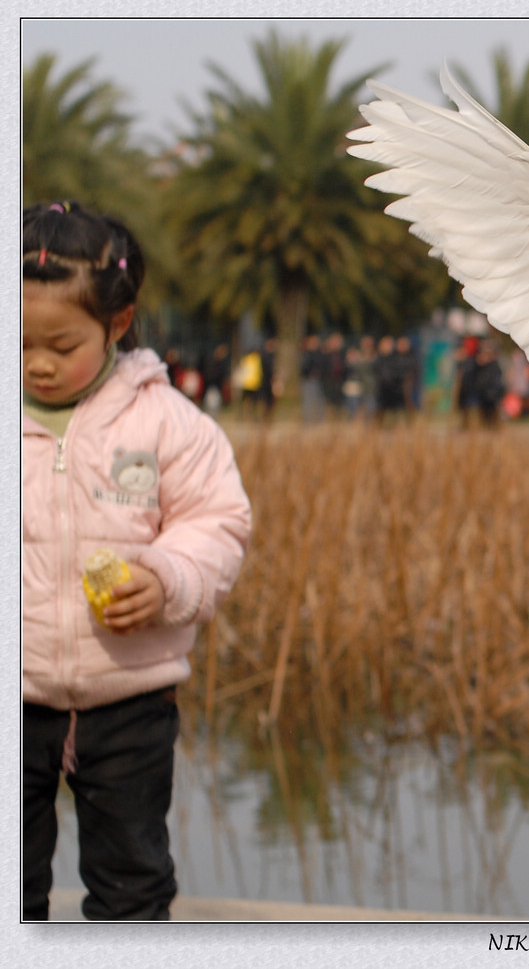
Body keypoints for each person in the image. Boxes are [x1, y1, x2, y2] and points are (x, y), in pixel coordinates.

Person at [21, 201, 252, 921]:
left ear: (117, 325)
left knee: (132, 881)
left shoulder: (165, 422)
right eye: (18, 339)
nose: (36, 362)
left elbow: (216, 521)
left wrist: (165, 579)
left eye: (60, 344)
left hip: (130, 696)